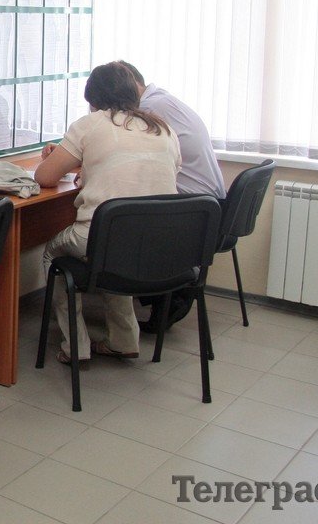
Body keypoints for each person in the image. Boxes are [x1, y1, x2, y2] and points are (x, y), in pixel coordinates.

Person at [33, 62, 181, 364]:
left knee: (55, 254)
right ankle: (124, 340)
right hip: (156, 244)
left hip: (102, 241)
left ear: (93, 99)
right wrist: (90, 169)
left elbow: (44, 178)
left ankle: (76, 346)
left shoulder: (91, 124)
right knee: (117, 251)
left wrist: (72, 163)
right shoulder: (163, 128)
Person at [120, 61, 225, 329]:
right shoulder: (161, 100)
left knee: (123, 222)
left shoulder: (149, 110)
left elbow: (119, 152)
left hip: (193, 208)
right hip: (209, 205)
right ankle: (164, 293)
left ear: (130, 85)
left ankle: (165, 294)